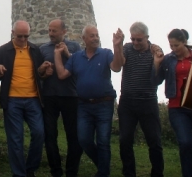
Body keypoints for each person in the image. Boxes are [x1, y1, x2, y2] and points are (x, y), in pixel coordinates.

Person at [54, 26, 123, 177]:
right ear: (84, 38)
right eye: (92, 36)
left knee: (103, 141)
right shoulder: (76, 57)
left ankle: (103, 173)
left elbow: (117, 67)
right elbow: (62, 74)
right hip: (84, 105)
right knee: (84, 140)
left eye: (97, 35)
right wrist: (57, 55)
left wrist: (117, 46)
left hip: (104, 103)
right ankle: (103, 166)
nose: (96, 38)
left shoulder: (106, 54)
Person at [0, 20, 50, 177]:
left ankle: (30, 169)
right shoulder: (3, 50)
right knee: (16, 139)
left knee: (39, 134)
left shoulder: (35, 49)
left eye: (26, 36)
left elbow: (40, 75)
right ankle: (19, 174)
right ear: (12, 33)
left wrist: (44, 70)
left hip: (33, 99)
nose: (23, 40)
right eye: (20, 36)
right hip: (12, 100)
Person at [152, 28, 192, 177]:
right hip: (177, 108)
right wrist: (157, 63)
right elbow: (156, 81)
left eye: (176, 45)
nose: (174, 49)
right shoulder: (168, 59)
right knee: (185, 143)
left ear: (184, 42)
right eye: (171, 46)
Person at [115, 22, 164, 177]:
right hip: (127, 102)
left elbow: (157, 79)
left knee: (154, 141)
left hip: (147, 102)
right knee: (125, 140)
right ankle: (129, 173)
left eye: (139, 40)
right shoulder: (127, 48)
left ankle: (157, 173)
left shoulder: (155, 50)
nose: (135, 43)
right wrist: (118, 45)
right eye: (133, 39)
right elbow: (118, 65)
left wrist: (157, 62)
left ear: (147, 38)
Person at [38, 19, 83, 177]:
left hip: (71, 96)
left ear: (64, 31)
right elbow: (38, 74)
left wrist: (67, 54)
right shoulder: (43, 49)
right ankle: (55, 171)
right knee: (50, 136)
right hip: (49, 97)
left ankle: (71, 172)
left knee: (74, 137)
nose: (50, 34)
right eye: (49, 30)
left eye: (54, 31)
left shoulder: (75, 47)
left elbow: (80, 69)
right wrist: (43, 71)